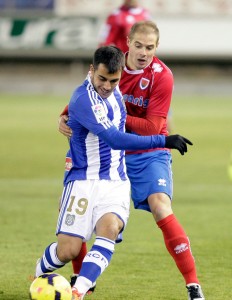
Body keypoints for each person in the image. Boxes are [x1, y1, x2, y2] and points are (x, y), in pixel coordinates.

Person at [59, 21, 205, 300]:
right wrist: (63, 114)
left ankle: (193, 284)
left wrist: (115, 113)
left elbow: (152, 128)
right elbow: (84, 98)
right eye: (138, 45)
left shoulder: (163, 76)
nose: (143, 52)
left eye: (149, 48)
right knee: (86, 213)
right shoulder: (111, 66)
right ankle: (81, 280)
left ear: (156, 48)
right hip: (110, 151)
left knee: (161, 207)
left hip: (149, 150)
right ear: (128, 42)